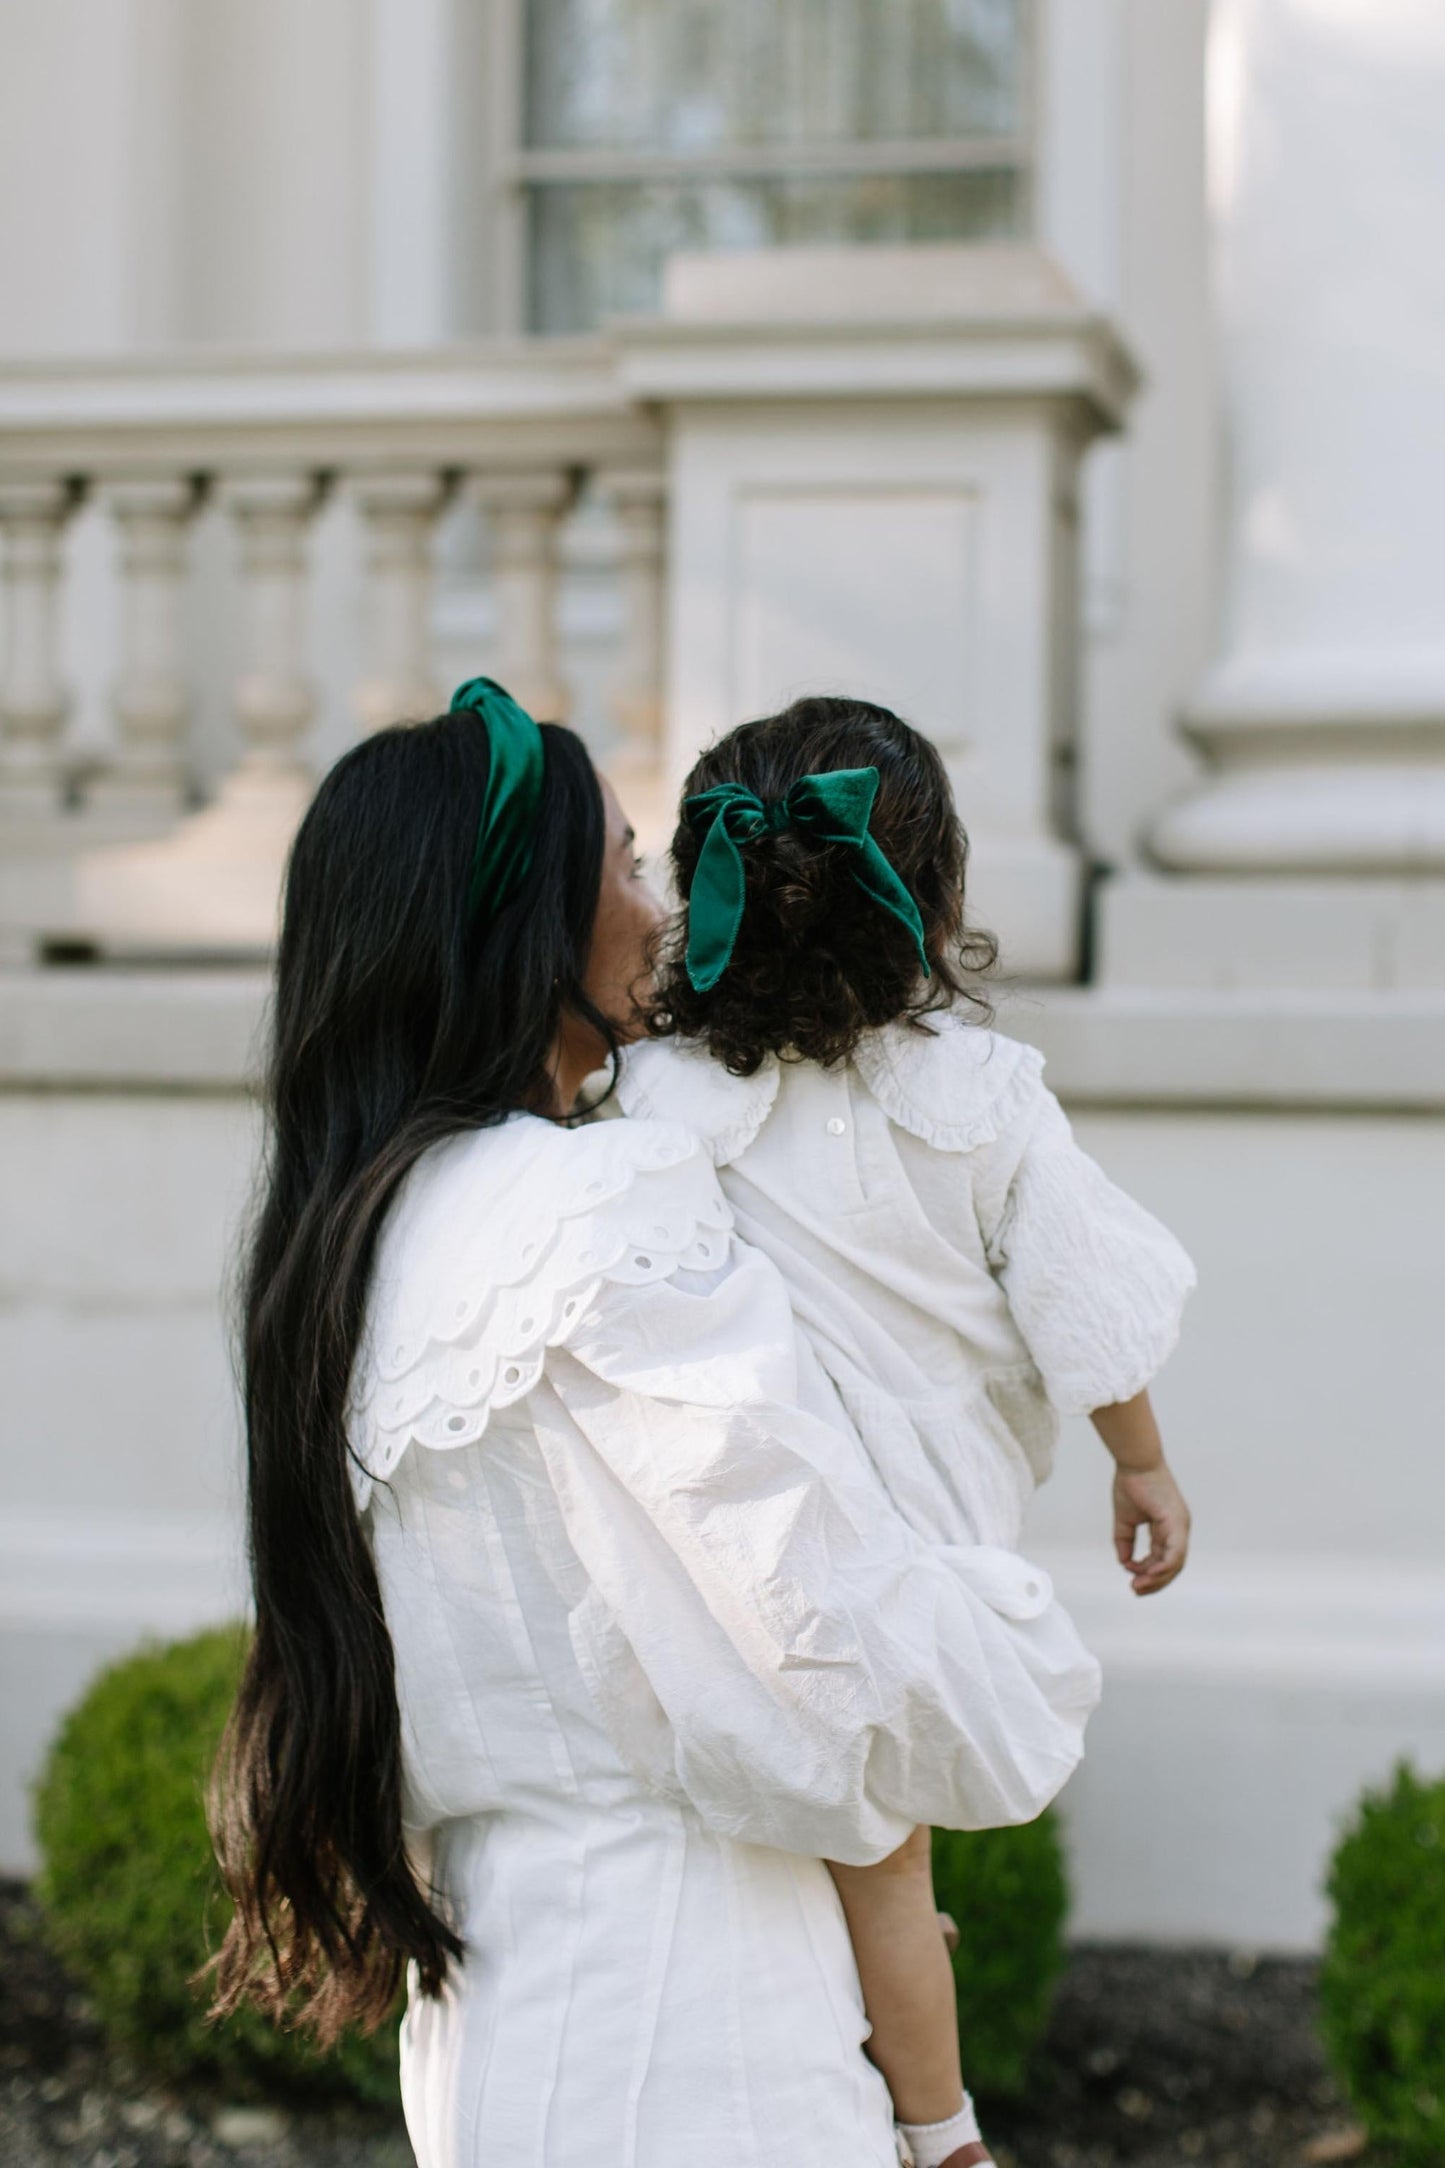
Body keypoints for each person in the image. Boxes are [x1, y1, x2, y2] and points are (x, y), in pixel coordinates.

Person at [204, 679, 1103, 2168]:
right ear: (528, 933)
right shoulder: (595, 1204)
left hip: (492, 2007)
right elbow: (809, 1623)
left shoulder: (350, 1247)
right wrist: (1002, 1640)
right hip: (695, 2017)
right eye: (624, 865)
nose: (663, 903)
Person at [616, 693, 1198, 2167]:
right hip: (906, 1563)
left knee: (785, 1838)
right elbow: (1084, 1299)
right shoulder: (983, 1097)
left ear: (706, 888)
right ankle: (939, 2132)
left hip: (727, 1539)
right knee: (882, 1867)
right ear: (928, 900)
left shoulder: (648, 1094)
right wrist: (1140, 1461)